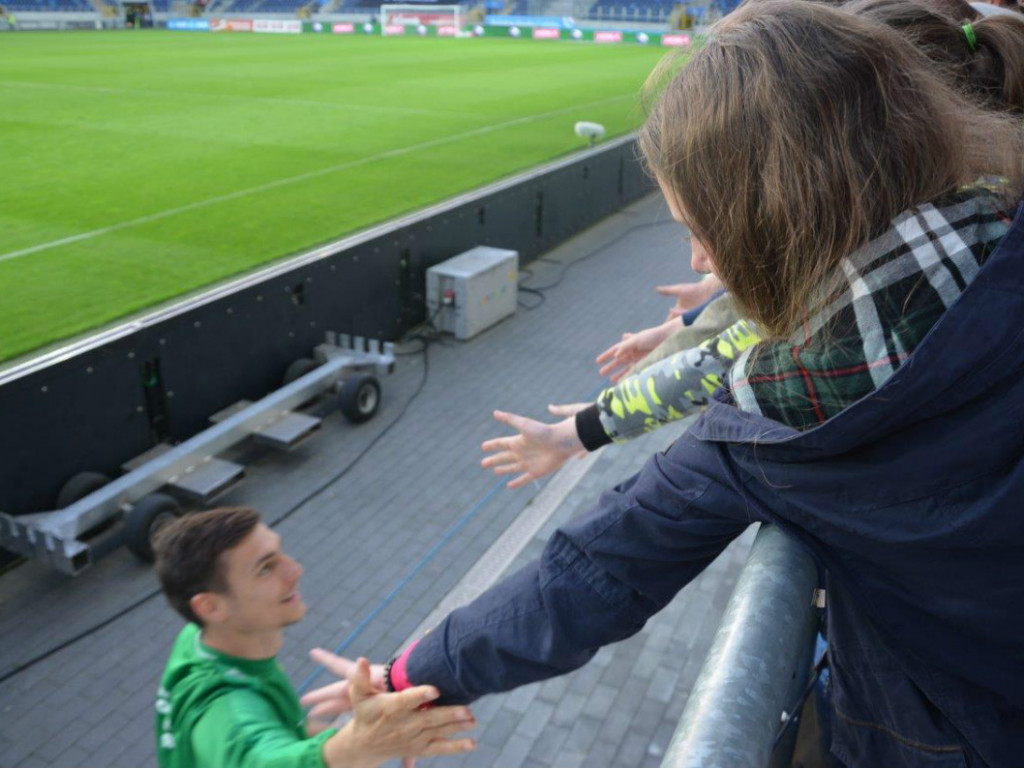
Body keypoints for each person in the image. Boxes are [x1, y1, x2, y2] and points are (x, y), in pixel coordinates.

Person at [304, 2, 1024, 765]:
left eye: (700, 229)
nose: (696, 262)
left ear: (774, 222)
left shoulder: (761, 432)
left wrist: (407, 673)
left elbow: (584, 578)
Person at [480, 0, 1024, 489]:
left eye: (706, 231)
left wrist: (580, 432)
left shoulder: (849, 332)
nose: (699, 261)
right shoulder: (980, 217)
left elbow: (717, 371)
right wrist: (684, 325)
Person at [153, 507, 476, 768]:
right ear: (210, 606)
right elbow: (255, 757)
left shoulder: (199, 639)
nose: (295, 570)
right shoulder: (223, 711)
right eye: (265, 568)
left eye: (280, 554)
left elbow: (279, 734)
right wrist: (360, 745)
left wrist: (355, 732)